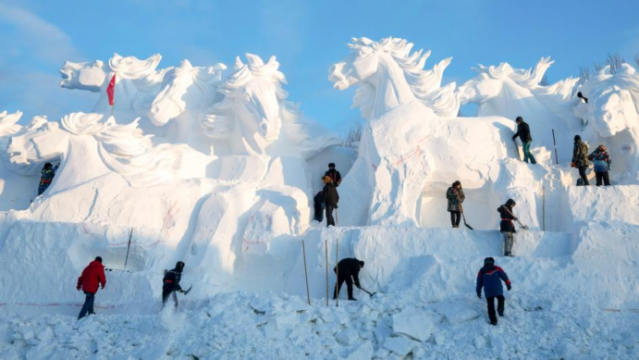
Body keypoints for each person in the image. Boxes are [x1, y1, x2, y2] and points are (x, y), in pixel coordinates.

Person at [476, 257, 512, 326]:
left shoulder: (481, 271)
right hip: (497, 289)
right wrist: (508, 284)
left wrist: (478, 291)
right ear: (492, 262)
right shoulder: (497, 268)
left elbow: (479, 283)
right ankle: (500, 310)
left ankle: (493, 321)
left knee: (490, 305)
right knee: (501, 298)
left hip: (488, 291)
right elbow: (504, 276)